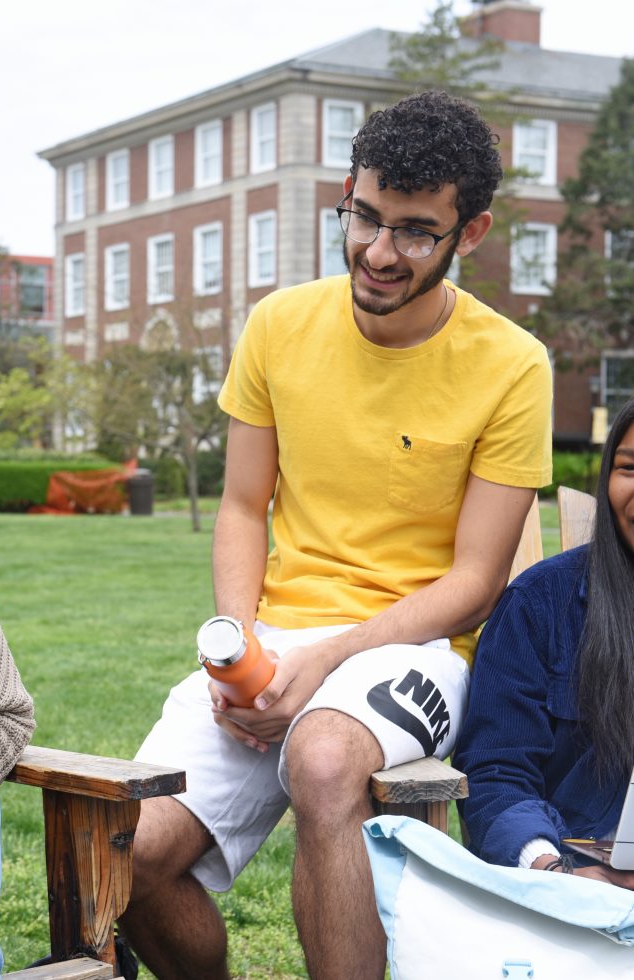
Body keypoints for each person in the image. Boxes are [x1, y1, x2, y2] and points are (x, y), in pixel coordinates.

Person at [123, 90, 553, 979]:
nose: (377, 250)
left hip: (421, 642)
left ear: (468, 234)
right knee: (129, 852)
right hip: (277, 635)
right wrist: (237, 642)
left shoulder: (513, 365)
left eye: (413, 231)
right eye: (362, 215)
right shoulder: (279, 325)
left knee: (323, 761)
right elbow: (244, 507)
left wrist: (323, 663)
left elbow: (475, 582)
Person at [454, 396, 634, 890]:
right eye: (630, 468)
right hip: (572, 882)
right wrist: (554, 873)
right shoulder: (540, 605)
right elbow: (496, 773)